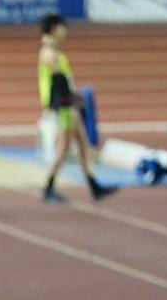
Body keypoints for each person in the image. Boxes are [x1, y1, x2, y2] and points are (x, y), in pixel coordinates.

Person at [38, 13, 117, 204]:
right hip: (64, 106)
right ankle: (49, 187)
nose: (65, 32)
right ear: (54, 28)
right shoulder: (49, 53)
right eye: (62, 27)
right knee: (64, 148)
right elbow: (59, 83)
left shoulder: (53, 51)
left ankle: (93, 185)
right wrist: (73, 99)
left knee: (81, 144)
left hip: (66, 104)